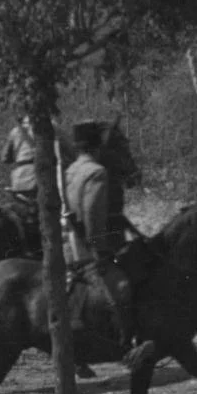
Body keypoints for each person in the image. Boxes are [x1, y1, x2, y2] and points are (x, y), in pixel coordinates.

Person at [64, 121, 141, 359]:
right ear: (98, 148)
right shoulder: (96, 173)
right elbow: (92, 217)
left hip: (68, 242)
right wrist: (100, 251)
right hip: (86, 246)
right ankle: (124, 343)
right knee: (125, 285)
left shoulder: (70, 170)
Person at [1, 115, 38, 199]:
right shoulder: (46, 129)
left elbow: (4, 158)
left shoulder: (15, 131)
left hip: (17, 180)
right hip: (38, 177)